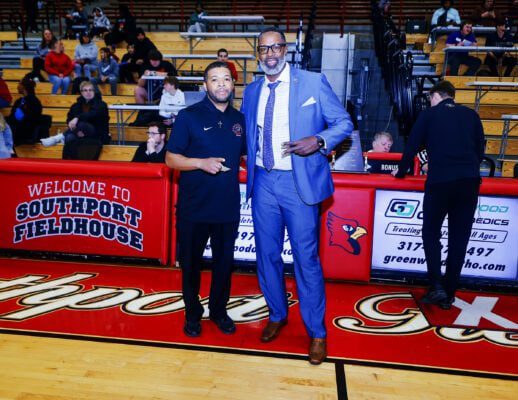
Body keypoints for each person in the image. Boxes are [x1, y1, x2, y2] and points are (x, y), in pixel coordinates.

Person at [240, 27, 353, 365]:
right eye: (263, 49)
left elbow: (343, 123)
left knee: (307, 260)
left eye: (276, 47)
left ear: (285, 49)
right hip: (263, 182)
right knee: (267, 255)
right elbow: (248, 135)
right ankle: (277, 313)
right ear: (258, 54)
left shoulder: (313, 82)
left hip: (298, 183)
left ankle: (317, 333)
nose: (270, 54)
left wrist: (317, 142)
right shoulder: (252, 91)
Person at [165, 61, 245, 338]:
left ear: (233, 85)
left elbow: (246, 156)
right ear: (205, 85)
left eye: (226, 79)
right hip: (193, 208)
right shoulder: (189, 116)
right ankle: (192, 313)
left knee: (224, 265)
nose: (221, 83)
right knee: (190, 265)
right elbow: (171, 158)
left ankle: (219, 311)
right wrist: (200, 163)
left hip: (227, 208)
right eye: (215, 79)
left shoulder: (239, 120)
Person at [392, 80, 484, 310]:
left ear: (435, 96)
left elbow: (411, 146)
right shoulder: (471, 115)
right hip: (469, 182)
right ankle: (449, 292)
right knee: (459, 239)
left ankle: (436, 285)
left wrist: (401, 172)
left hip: (441, 181)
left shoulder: (429, 115)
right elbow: (480, 150)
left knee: (431, 232)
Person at [42, 81, 110, 147]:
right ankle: (69, 156)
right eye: (85, 90)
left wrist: (77, 118)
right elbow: (69, 119)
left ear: (94, 91)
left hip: (97, 133)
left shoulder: (101, 104)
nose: (88, 92)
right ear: (81, 92)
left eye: (90, 90)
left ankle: (60, 136)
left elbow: (92, 114)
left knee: (82, 124)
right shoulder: (76, 105)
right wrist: (76, 131)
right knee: (69, 137)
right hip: (78, 131)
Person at [7, 77, 43, 145]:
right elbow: (12, 117)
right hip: (18, 129)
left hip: (26, 131)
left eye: (19, 84)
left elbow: (32, 119)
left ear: (23, 87)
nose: (17, 86)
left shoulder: (34, 102)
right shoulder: (19, 101)